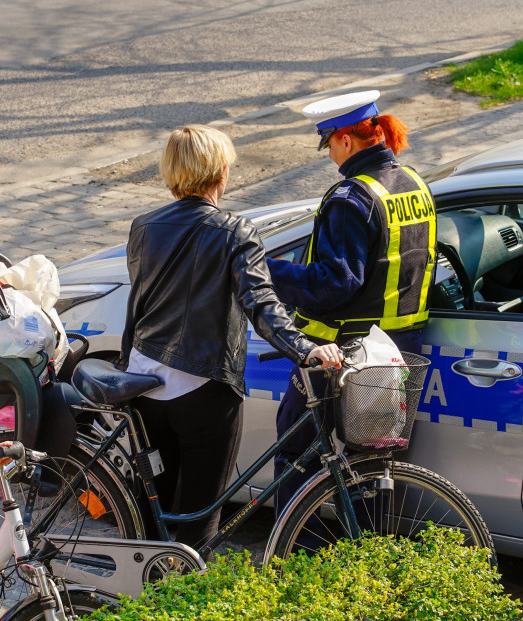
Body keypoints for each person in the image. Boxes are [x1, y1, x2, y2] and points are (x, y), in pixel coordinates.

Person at [119, 124, 342, 553]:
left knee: (153, 511)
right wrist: (305, 349)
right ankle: (188, 604)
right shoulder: (236, 230)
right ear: (221, 171)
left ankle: (143, 595)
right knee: (201, 517)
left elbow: (142, 298)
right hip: (202, 388)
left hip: (144, 381)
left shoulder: (143, 225)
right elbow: (261, 304)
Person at [267, 90, 436, 516]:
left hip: (340, 354)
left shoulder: (351, 199)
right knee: (376, 465)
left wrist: (268, 272)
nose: (330, 157)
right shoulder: (414, 184)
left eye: (328, 145)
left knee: (297, 456)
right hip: (396, 352)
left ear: (344, 140)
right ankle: (367, 564)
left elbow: (334, 284)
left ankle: (298, 559)